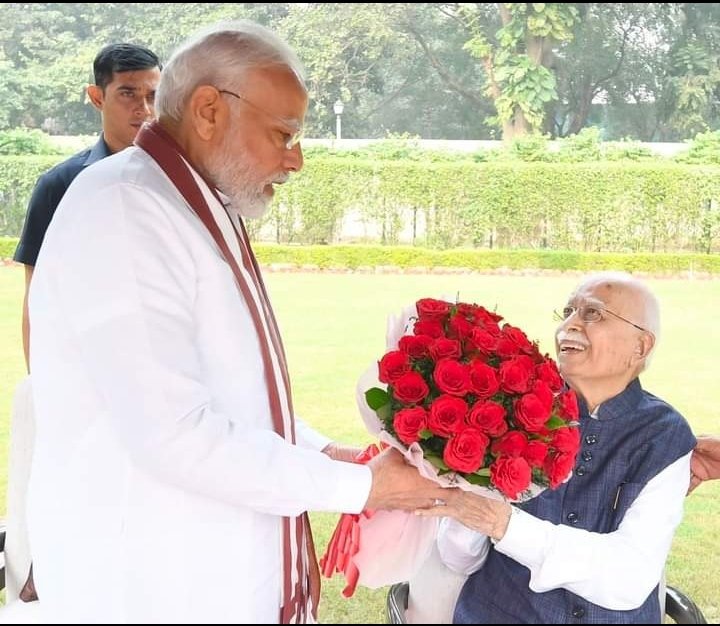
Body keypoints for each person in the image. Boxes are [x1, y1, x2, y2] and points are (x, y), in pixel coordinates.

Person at [25, 20, 447, 624]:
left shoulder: (186, 200)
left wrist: (333, 454)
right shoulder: (125, 206)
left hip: (203, 565)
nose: (296, 159)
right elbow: (174, 433)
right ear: (208, 110)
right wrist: (364, 488)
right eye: (283, 133)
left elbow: (236, 394)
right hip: (151, 583)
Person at [417, 271, 696, 623]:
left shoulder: (665, 436)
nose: (570, 324)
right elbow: (459, 557)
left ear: (640, 347)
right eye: (568, 311)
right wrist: (465, 504)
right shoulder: (509, 408)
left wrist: (506, 526)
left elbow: (629, 576)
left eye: (592, 313)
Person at [4, 42, 161, 604]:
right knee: (76, 506)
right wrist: (51, 389)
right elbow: (35, 302)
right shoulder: (60, 185)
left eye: (152, 94)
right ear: (96, 97)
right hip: (81, 383)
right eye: (127, 94)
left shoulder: (180, 187)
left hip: (157, 385)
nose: (143, 107)